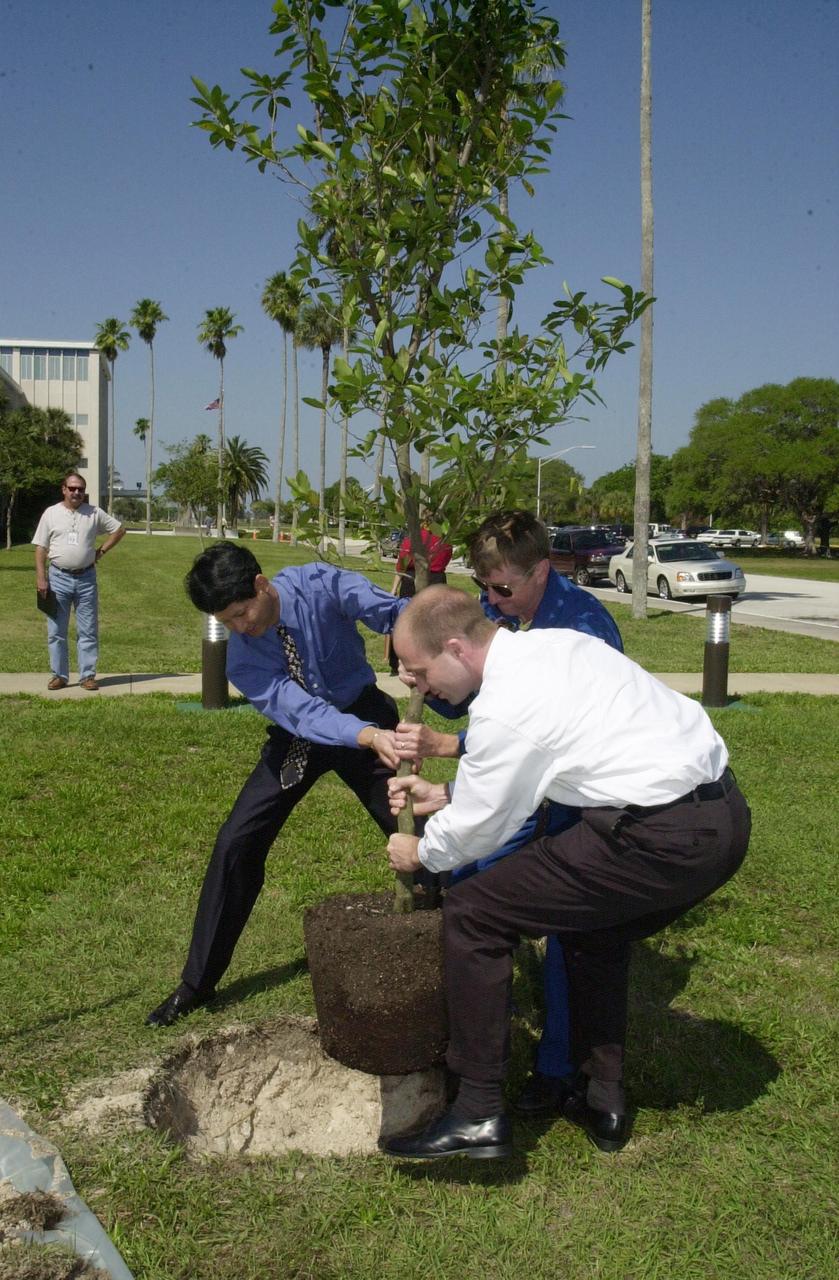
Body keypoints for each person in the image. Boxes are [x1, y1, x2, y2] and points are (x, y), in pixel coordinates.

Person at [382, 587, 750, 1159]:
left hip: (659, 837)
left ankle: (477, 1113)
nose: (421, 688)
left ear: (455, 648)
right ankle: (601, 1097)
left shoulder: (507, 703)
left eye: (420, 671)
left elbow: (484, 828)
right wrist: (449, 791)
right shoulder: (558, 647)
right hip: (721, 817)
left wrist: (422, 853)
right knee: (592, 930)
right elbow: (543, 760)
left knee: (475, 911)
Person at [392, 510, 623, 1111]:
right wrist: (421, 674)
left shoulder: (583, 625)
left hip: (577, 802)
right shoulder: (496, 614)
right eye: (483, 588)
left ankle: (557, 1072)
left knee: (570, 933)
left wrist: (445, 801)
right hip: (523, 788)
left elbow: (542, 743)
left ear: (541, 570)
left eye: (503, 589)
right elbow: (475, 701)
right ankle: (471, 1042)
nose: (491, 602)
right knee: (470, 884)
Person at [146, 542, 409, 1028]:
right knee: (237, 841)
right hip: (302, 737)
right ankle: (196, 984)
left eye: (243, 612)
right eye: (227, 622)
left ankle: (466, 936)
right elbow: (302, 713)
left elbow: (393, 611)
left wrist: (417, 646)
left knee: (416, 828)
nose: (241, 627)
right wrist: (363, 736)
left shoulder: (320, 584)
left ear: (262, 585)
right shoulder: (243, 658)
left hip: (365, 714)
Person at [32, 471, 125, 691]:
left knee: (88, 630)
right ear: (64, 489)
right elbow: (40, 548)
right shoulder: (51, 513)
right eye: (72, 488)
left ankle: (87, 676)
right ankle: (59, 676)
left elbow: (119, 530)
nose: (76, 493)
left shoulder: (93, 513)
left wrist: (100, 552)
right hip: (58, 578)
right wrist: (41, 578)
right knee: (56, 631)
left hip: (86, 579)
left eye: (80, 489)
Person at [387, 522, 453, 674]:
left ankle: (395, 662)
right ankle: (432, 660)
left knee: (404, 621)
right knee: (435, 622)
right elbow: (446, 560)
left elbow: (401, 565)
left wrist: (394, 588)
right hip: (436, 579)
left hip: (411, 578)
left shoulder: (412, 539)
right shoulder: (445, 541)